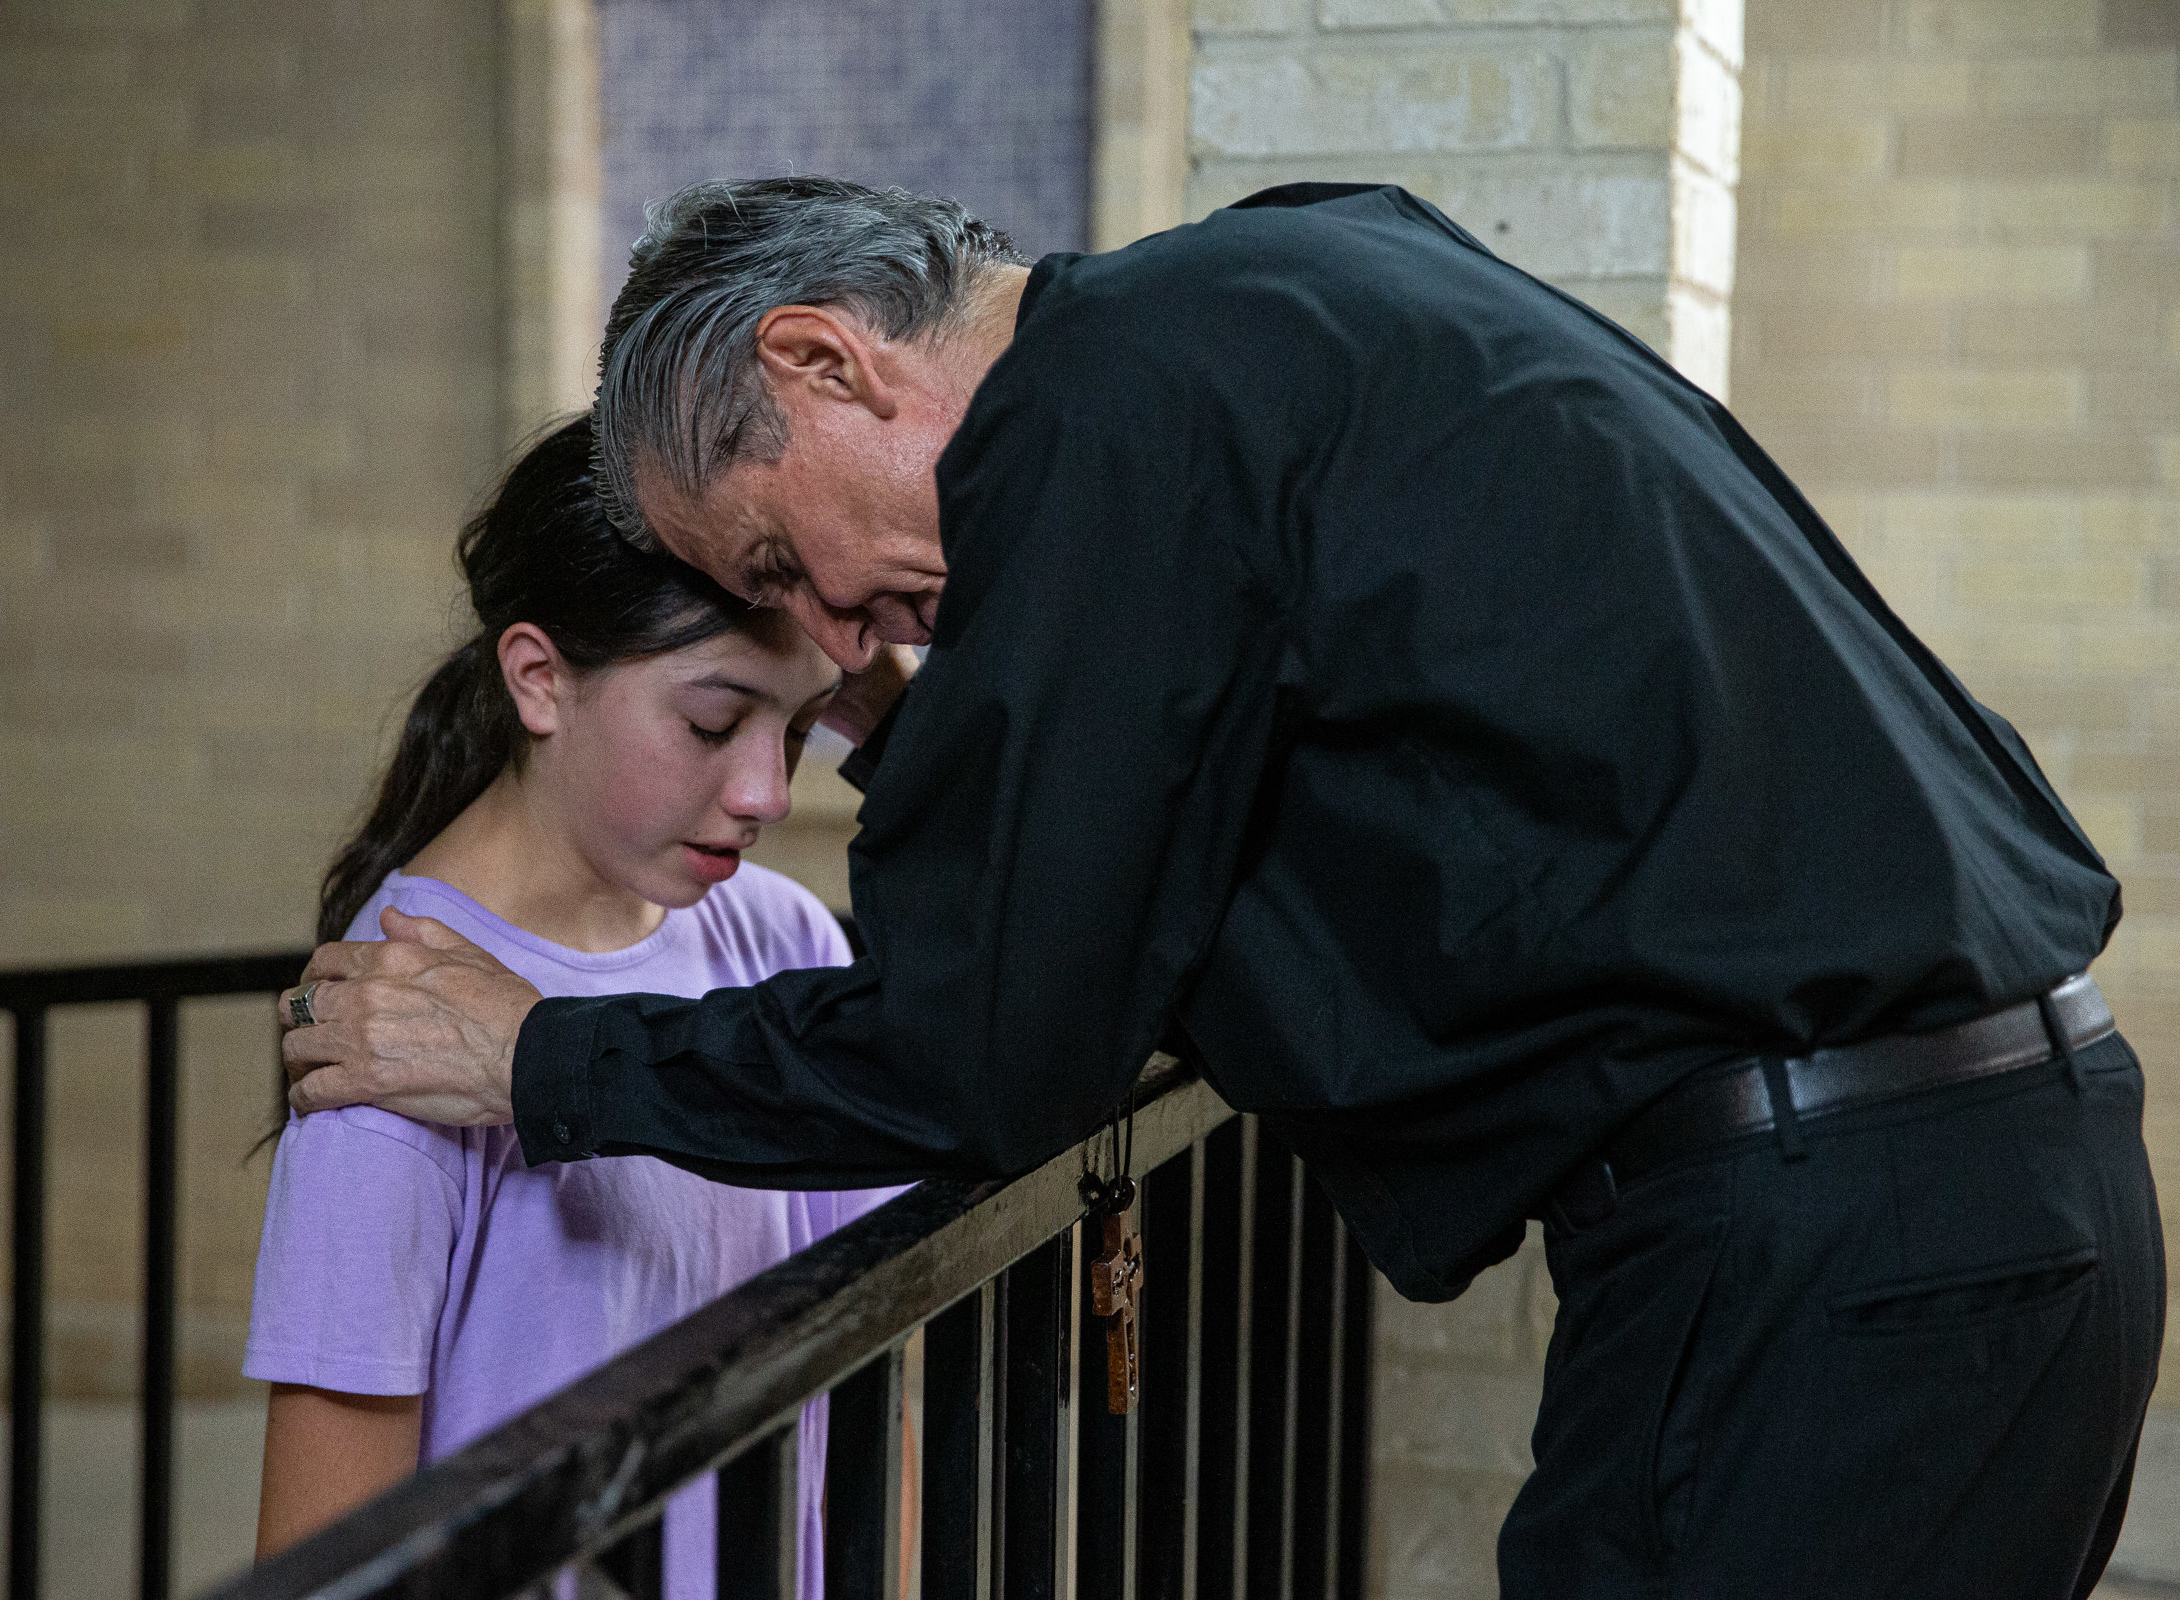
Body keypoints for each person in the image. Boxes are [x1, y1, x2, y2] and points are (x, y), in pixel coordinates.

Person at [278, 179, 2164, 1598]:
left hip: (1837, 1253)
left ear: (824, 362)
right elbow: (1134, 877)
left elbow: (985, 1044)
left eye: (782, 554)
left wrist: (543, 1060)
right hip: (1988, 1186)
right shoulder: (1283, 285)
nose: (829, 630)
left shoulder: (1099, 435)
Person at [245, 413, 894, 1598]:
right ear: (540, 678)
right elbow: (321, 1560)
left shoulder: (780, 934)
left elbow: (893, 1342)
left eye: (800, 727)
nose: (764, 792)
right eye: (713, 720)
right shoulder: (390, 1042)